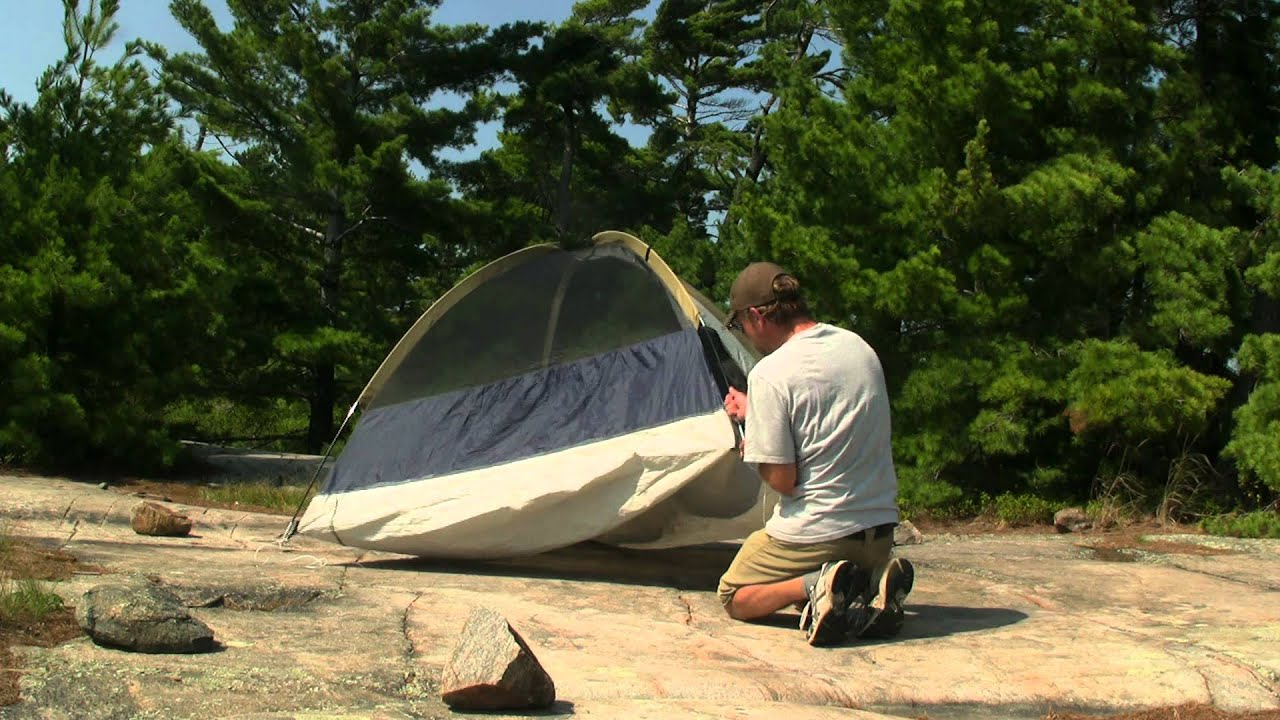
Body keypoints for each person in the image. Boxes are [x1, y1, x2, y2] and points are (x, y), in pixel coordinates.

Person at [717, 261, 914, 647]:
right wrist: (758, 413)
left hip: (821, 533)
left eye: (740, 324)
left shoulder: (770, 373)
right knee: (855, 561)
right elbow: (825, 417)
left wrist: (754, 446)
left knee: (734, 595)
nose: (745, 334)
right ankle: (874, 581)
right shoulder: (859, 348)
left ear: (756, 315)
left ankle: (816, 581)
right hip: (879, 531)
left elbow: (783, 482)